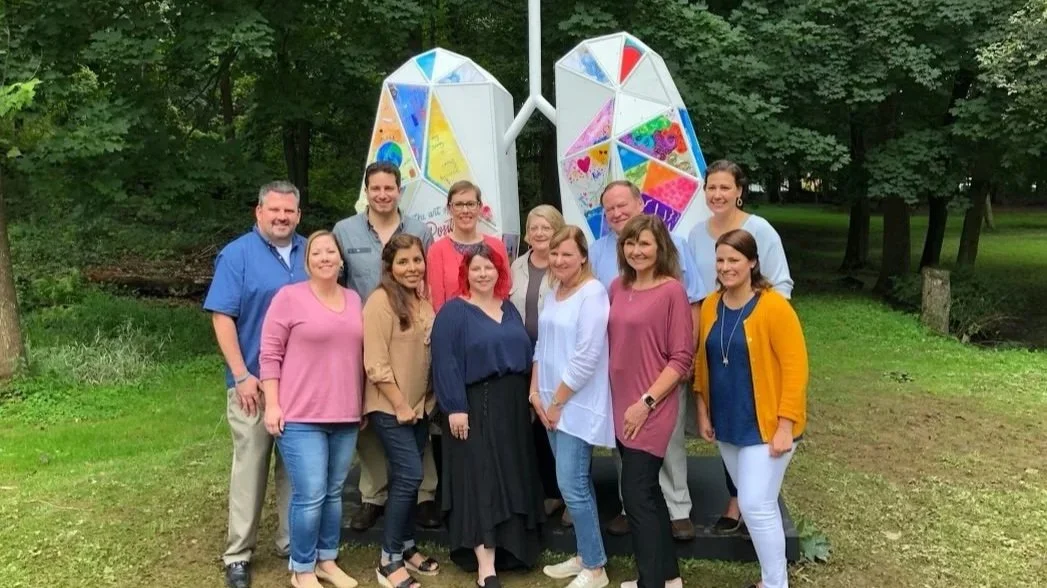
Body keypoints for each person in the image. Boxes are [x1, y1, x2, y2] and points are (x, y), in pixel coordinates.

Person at [588, 180, 705, 540]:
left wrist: (688, 360)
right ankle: (630, 505)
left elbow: (694, 302)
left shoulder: (674, 245)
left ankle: (677, 507)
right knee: (625, 439)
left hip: (662, 364)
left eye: (623, 205)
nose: (617, 213)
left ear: (640, 203)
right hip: (621, 367)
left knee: (667, 441)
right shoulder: (597, 251)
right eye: (609, 209)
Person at [204, 181, 305, 588]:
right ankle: (239, 554)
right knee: (251, 466)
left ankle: (291, 541)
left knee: (296, 468)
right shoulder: (237, 255)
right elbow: (222, 316)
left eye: (289, 211)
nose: (282, 217)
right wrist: (242, 376)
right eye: (274, 210)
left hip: (301, 383)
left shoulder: (310, 252)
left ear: (298, 214)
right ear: (258, 212)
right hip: (254, 385)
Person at [693, 229, 808, 588]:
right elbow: (702, 361)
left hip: (768, 424)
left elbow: (796, 368)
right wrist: (701, 408)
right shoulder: (711, 304)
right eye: (721, 260)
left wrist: (786, 425)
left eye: (734, 260)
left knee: (755, 504)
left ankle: (776, 584)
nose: (726, 267)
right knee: (760, 504)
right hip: (728, 421)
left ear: (752, 262)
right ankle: (770, 579)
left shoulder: (774, 306)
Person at [333, 161, 440, 533]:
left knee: (415, 413)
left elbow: (424, 280)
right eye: (375, 188)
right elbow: (338, 284)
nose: (382, 195)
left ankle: (423, 495)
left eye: (388, 188)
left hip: (408, 336)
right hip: (365, 336)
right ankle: (374, 495)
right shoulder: (344, 231)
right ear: (367, 191)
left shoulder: (419, 230)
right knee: (369, 421)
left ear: (399, 190)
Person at [687, 160, 793, 535]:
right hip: (715, 338)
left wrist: (758, 321)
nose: (717, 195)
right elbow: (696, 291)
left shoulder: (759, 229)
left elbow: (780, 283)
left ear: (739, 191)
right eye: (711, 188)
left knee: (753, 414)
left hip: (753, 338)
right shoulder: (696, 235)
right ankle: (740, 496)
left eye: (724, 188)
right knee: (724, 414)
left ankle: (745, 501)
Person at [431, 244, 544, 588]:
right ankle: (486, 566)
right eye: (476, 268)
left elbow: (526, 354)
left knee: (510, 475)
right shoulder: (453, 313)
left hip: (511, 407)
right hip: (474, 406)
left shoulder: (508, 309)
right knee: (481, 480)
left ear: (499, 272)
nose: (483, 274)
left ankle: (513, 548)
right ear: (466, 273)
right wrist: (455, 408)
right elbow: (445, 361)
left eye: (489, 268)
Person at [259, 230, 364, 588]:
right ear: (307, 261)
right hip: (301, 414)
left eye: (330, 251)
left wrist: (361, 404)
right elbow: (270, 355)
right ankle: (301, 568)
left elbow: (359, 357)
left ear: (340, 259)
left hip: (346, 413)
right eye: (316, 252)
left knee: (333, 492)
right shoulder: (289, 298)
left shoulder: (353, 301)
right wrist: (272, 404)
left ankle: (327, 560)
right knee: (311, 492)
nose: (324, 257)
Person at [607, 214, 693, 588]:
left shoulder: (671, 290)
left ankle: (650, 582)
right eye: (630, 243)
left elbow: (681, 359)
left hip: (650, 405)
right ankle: (669, 577)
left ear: (660, 248)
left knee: (636, 495)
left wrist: (646, 402)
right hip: (620, 405)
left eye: (644, 243)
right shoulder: (617, 286)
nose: (636, 250)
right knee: (650, 494)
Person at [531, 226, 614, 588]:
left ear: (583, 256)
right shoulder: (553, 291)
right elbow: (541, 345)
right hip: (548, 403)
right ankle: (584, 554)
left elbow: (586, 357)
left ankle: (595, 568)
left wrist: (557, 401)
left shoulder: (593, 294)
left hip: (574, 405)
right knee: (571, 486)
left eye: (567, 253)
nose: (560, 260)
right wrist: (535, 392)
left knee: (573, 484)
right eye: (554, 254)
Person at [362, 234, 441, 588]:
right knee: (410, 476)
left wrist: (424, 403)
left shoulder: (423, 301)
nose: (412, 268)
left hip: (419, 408)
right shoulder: (380, 303)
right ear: (390, 268)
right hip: (391, 408)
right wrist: (399, 404)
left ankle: (408, 546)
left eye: (417, 261)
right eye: (404, 262)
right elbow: (375, 364)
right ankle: (388, 559)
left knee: (406, 480)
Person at [509, 204, 567, 525]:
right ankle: (549, 492)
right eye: (533, 227)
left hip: (555, 358)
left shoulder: (566, 266)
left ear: (557, 229)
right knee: (533, 428)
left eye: (546, 227)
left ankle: (571, 494)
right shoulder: (516, 266)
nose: (539, 233)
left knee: (558, 424)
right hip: (522, 356)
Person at [426, 180, 511, 312]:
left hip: (493, 326)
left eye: (470, 204)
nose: (465, 210)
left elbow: (504, 292)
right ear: (449, 208)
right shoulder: (437, 251)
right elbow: (437, 304)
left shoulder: (497, 247)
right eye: (459, 204)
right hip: (455, 327)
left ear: (479, 207)